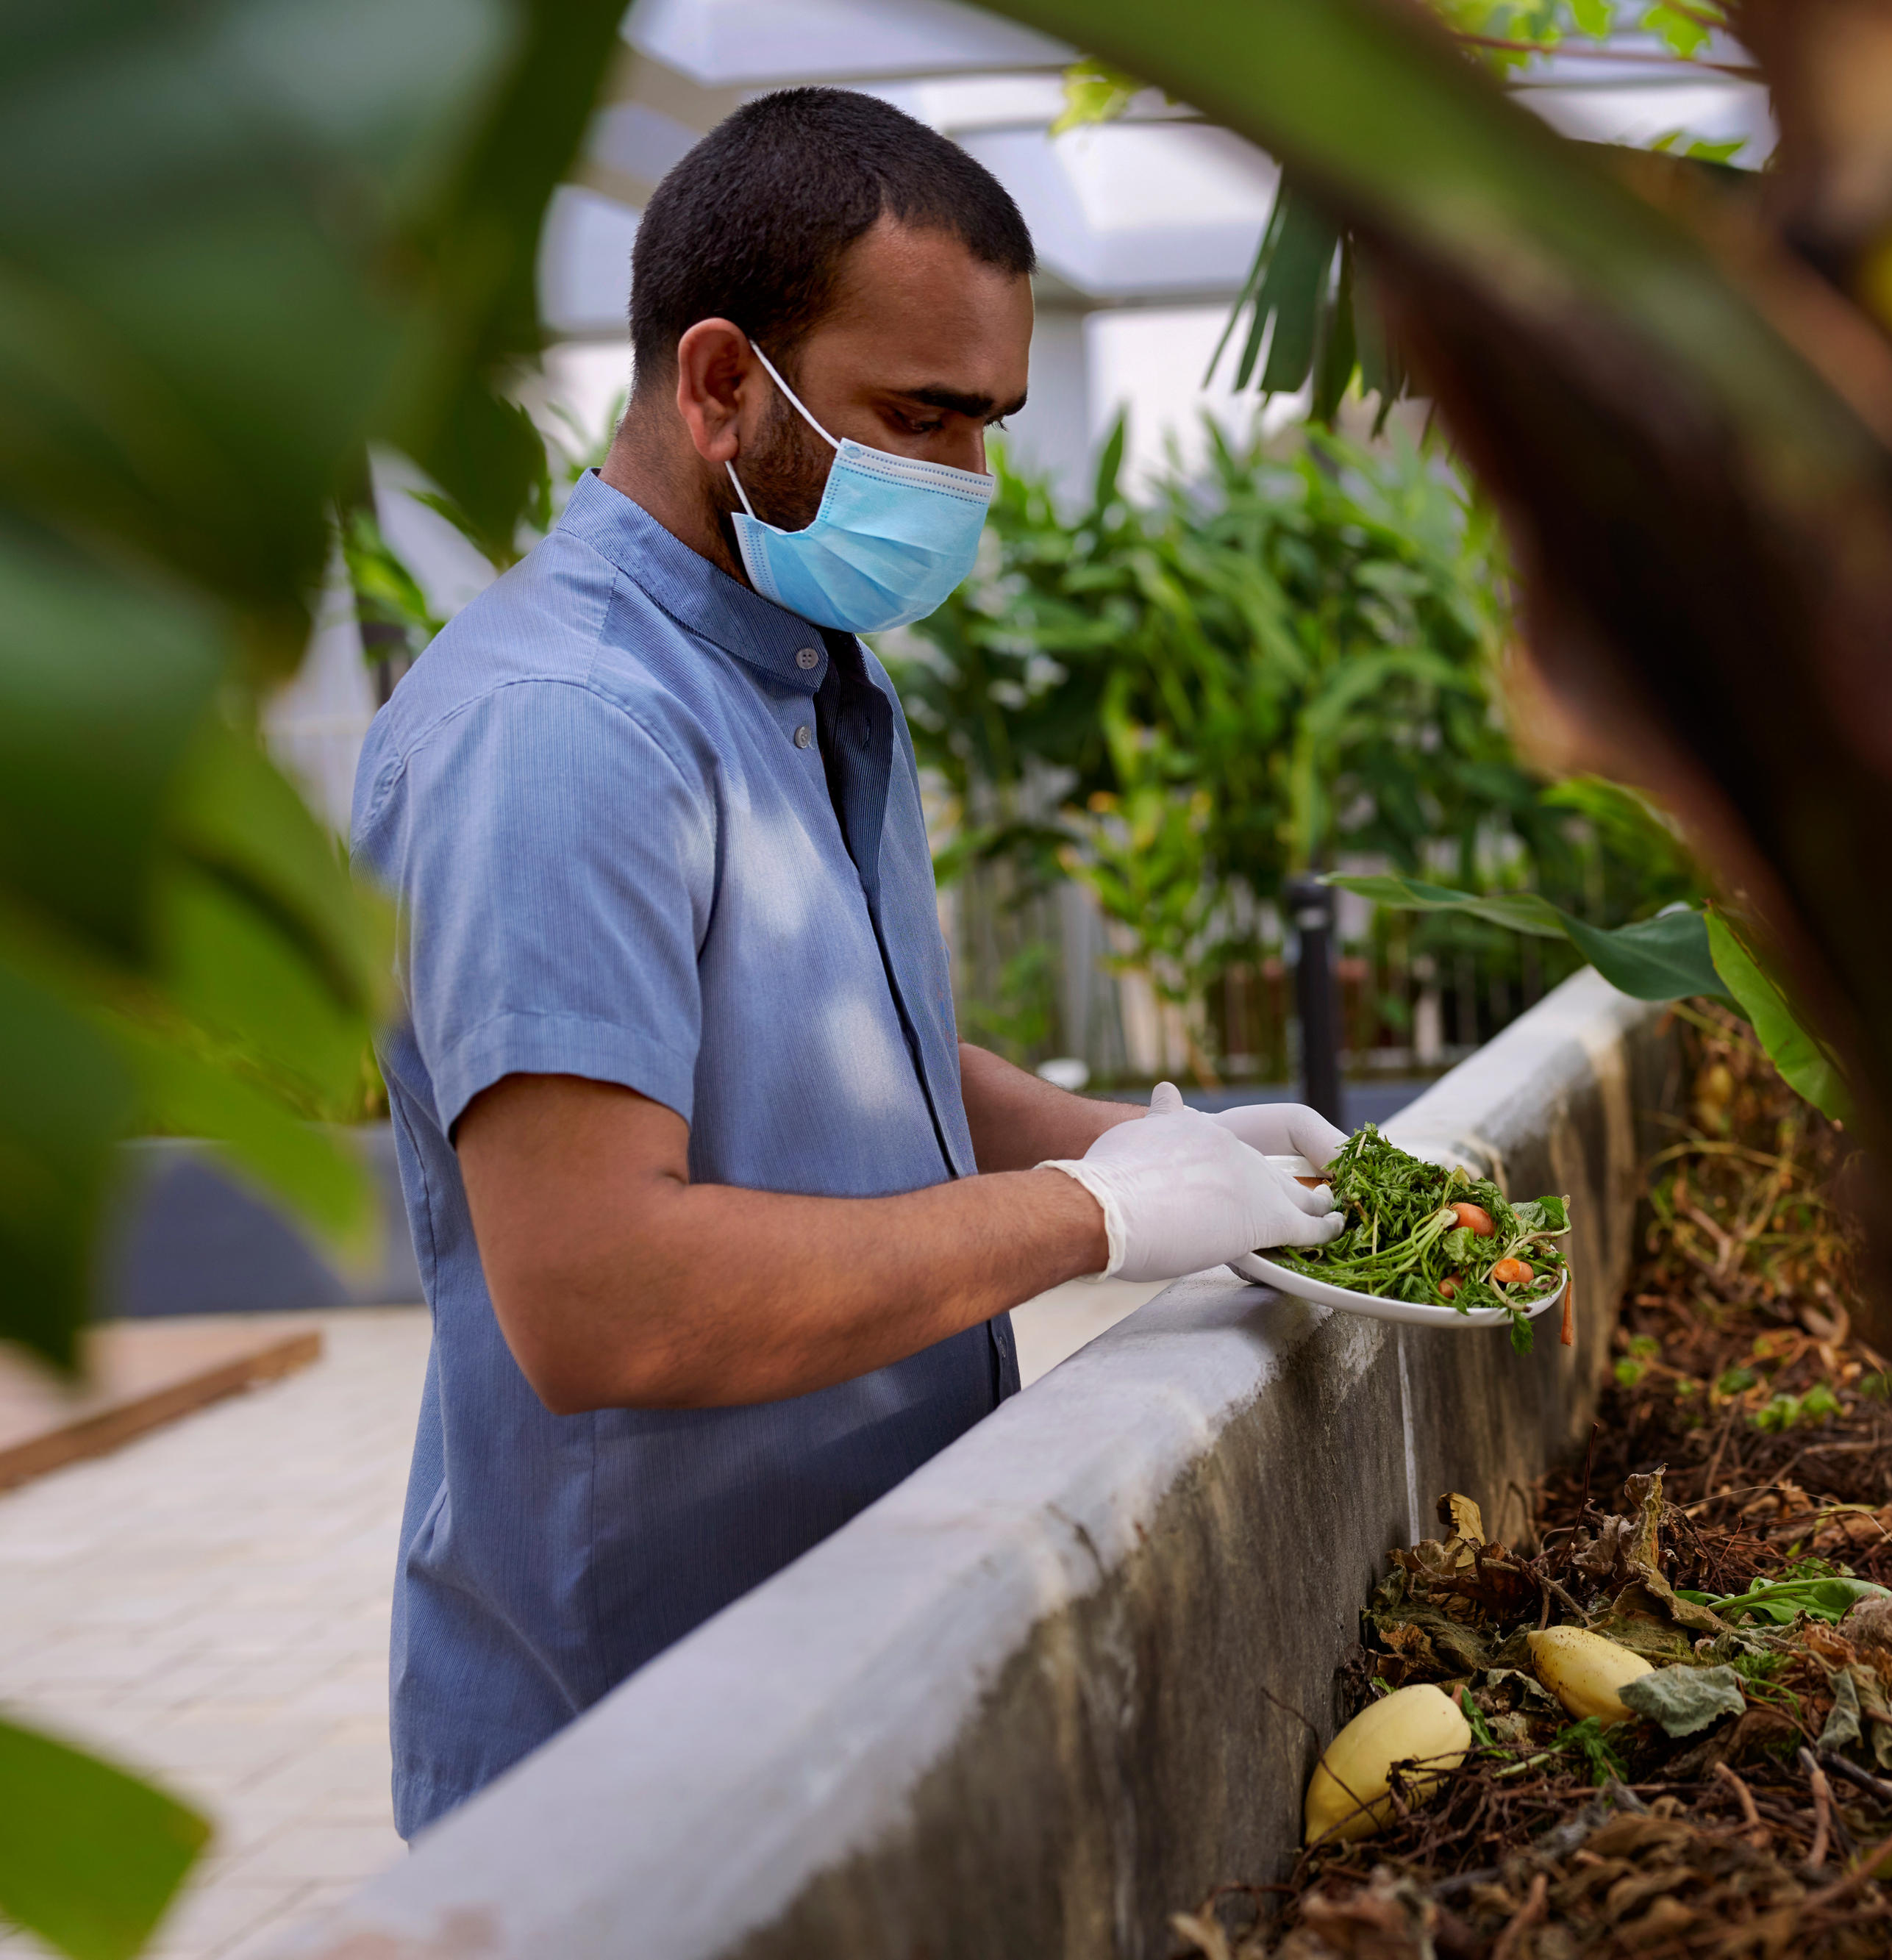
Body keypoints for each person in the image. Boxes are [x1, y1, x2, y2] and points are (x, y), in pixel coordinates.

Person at [352, 87, 1345, 1837]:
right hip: (642, 1753)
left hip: (834, 1665)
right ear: (719, 382)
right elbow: (603, 1294)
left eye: (990, 426)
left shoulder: (802, 666)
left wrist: (1125, 1136)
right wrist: (1091, 1222)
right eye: (921, 417)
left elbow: (824, 1049)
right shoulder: (566, 731)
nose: (964, 483)